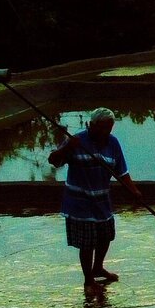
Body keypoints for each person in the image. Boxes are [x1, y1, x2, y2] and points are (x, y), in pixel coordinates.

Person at [49, 107, 141, 285]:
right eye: (102, 128)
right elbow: (54, 160)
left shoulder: (112, 143)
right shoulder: (77, 141)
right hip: (80, 202)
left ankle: (98, 267)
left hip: (102, 199)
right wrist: (68, 147)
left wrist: (134, 191)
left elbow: (121, 171)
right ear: (91, 125)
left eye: (109, 128)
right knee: (87, 243)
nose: (106, 132)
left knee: (105, 236)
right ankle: (88, 279)